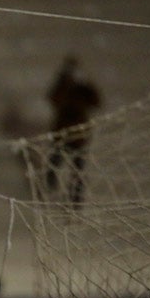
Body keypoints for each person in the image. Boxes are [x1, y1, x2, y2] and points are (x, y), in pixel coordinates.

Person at [46, 55, 101, 205]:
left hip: (78, 136)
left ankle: (75, 199)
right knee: (53, 165)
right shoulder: (62, 85)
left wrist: (87, 83)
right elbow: (54, 100)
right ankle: (49, 191)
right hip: (62, 133)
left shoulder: (83, 89)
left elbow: (97, 102)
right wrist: (65, 82)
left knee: (78, 170)